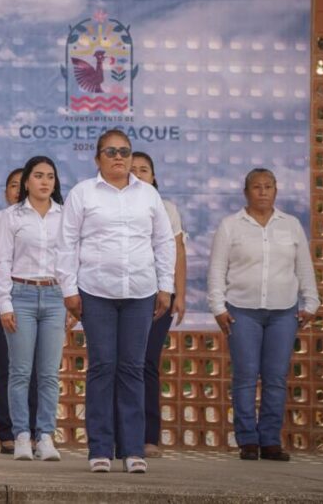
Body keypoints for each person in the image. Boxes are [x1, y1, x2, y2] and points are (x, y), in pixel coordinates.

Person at [57, 129, 175, 474]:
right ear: (98, 158)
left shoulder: (148, 195)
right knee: (102, 367)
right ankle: (99, 449)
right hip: (96, 292)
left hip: (140, 292)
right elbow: (66, 244)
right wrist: (69, 289)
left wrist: (165, 287)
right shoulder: (83, 193)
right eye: (111, 151)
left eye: (124, 151)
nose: (119, 157)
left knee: (132, 369)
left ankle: (133, 449)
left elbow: (164, 242)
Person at [208, 168, 320, 462]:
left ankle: (270, 440)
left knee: (275, 377)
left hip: (283, 312)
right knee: (245, 376)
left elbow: (304, 267)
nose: (262, 192)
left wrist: (311, 302)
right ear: (246, 192)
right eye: (256, 187)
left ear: (276, 191)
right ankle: (247, 440)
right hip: (241, 311)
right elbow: (217, 269)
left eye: (268, 186)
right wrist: (218, 307)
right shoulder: (231, 225)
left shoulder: (291, 225)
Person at [0, 156, 66, 462]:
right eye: (38, 175)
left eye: (50, 176)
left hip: (55, 297)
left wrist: (73, 299)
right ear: (26, 182)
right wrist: (5, 304)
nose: (45, 181)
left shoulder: (65, 216)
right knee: (20, 372)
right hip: (20, 296)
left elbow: (71, 261)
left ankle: (45, 436)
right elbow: (0, 263)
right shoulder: (12, 217)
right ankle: (21, 435)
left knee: (49, 374)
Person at [128, 152, 187, 458]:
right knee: (121, 365)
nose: (138, 174)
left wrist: (180, 293)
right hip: (124, 295)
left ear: (154, 177)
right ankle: (120, 435)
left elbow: (177, 250)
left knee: (147, 362)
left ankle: (149, 436)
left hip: (159, 297)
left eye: (144, 170)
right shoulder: (116, 207)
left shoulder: (166, 208)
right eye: (133, 170)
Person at [0, 168, 38, 454]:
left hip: (35, 295)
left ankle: (35, 431)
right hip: (1, 298)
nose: (17, 190)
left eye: (21, 185)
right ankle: (7, 431)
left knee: (35, 368)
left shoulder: (44, 219)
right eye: (13, 185)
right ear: (6, 191)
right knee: (5, 366)